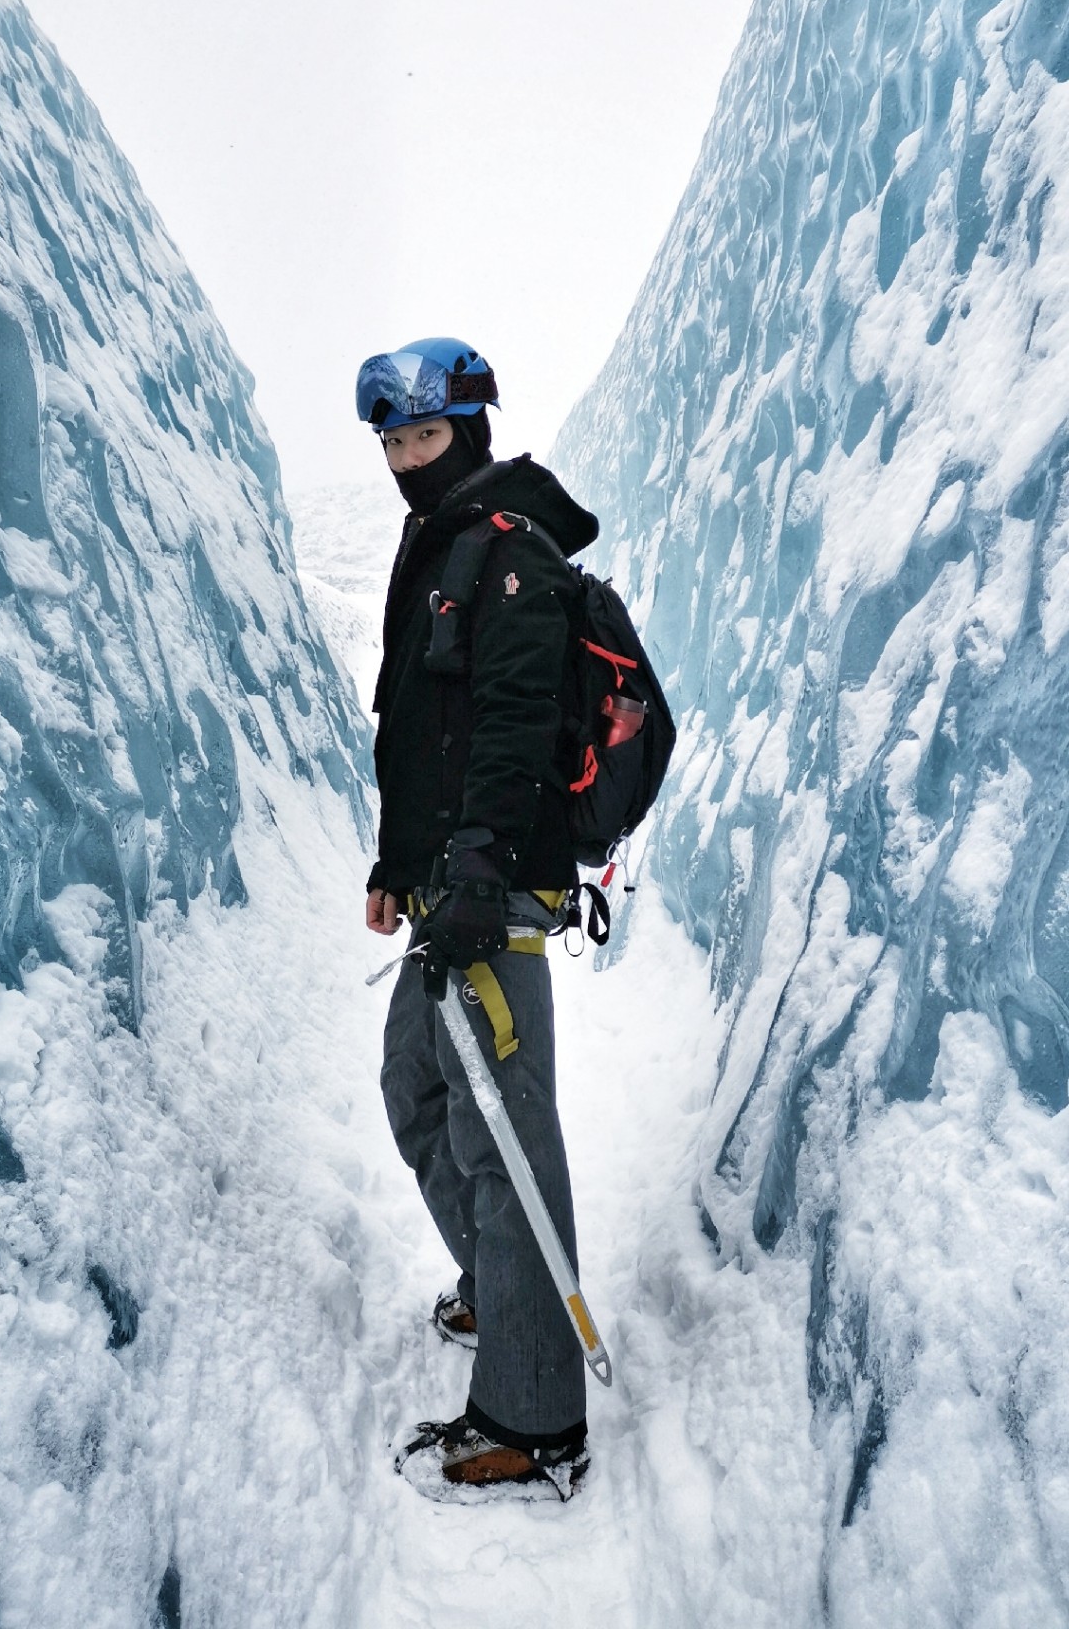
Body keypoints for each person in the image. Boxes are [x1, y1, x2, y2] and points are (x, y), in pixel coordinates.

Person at [355, 335, 599, 1502]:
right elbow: (424, 733)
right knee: (420, 1087)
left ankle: (535, 1413)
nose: (407, 455)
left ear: (471, 430)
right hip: (447, 882)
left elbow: (507, 723)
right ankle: (500, 1287)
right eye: (394, 438)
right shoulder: (443, 545)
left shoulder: (508, 552)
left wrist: (464, 868)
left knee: (501, 1134)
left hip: (491, 888)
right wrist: (397, 865)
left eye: (425, 435)